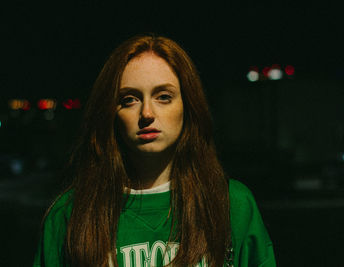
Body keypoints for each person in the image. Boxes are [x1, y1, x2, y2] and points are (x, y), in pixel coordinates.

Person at [33, 34, 276, 267]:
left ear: (188, 106)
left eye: (163, 96)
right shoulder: (70, 214)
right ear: (110, 113)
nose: (147, 113)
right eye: (129, 99)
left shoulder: (231, 204)